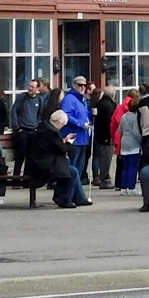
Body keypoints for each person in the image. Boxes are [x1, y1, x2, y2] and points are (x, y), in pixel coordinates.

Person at [27, 109, 78, 208]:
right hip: (44, 165)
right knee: (72, 172)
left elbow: (53, 146)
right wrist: (69, 143)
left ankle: (69, 198)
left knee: (68, 170)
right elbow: (62, 149)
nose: (62, 127)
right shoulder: (51, 132)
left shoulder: (43, 128)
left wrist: (64, 140)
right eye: (63, 124)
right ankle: (64, 200)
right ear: (58, 122)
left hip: (38, 162)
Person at [59, 76, 94, 206]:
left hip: (83, 138)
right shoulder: (69, 99)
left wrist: (92, 115)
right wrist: (80, 124)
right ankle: (75, 196)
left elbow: (85, 116)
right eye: (80, 85)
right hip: (73, 137)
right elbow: (66, 115)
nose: (83, 88)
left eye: (85, 86)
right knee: (71, 169)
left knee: (78, 170)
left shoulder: (83, 100)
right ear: (74, 85)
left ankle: (74, 195)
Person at [11, 78, 43, 181]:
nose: (30, 88)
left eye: (32, 87)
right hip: (22, 130)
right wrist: (17, 127)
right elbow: (14, 111)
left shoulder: (39, 99)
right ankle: (16, 178)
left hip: (33, 131)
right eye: (29, 86)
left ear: (37, 88)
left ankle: (26, 179)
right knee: (20, 156)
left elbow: (40, 114)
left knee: (30, 157)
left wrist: (37, 125)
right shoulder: (22, 98)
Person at [113, 87, 144, 193]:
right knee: (133, 167)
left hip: (124, 142)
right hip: (134, 144)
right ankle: (131, 187)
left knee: (126, 167)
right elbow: (136, 132)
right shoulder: (135, 117)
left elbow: (119, 129)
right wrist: (141, 141)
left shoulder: (124, 116)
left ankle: (124, 187)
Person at [90, 83, 118, 188]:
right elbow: (109, 122)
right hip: (106, 136)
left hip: (99, 134)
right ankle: (105, 179)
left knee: (100, 157)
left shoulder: (100, 103)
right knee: (106, 158)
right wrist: (111, 135)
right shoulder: (109, 105)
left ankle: (103, 177)